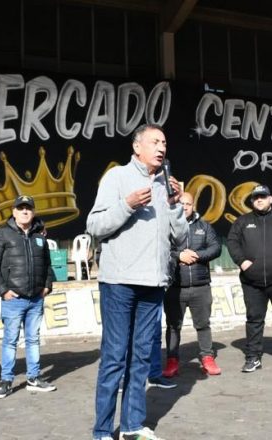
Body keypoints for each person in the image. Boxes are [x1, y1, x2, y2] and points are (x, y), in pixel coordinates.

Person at [87, 123, 187, 440]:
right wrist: (127, 204)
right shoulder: (116, 177)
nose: (161, 147)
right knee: (115, 357)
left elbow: (180, 237)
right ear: (137, 147)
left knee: (143, 357)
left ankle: (132, 425)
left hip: (154, 284)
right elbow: (95, 225)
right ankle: (103, 430)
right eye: (155, 141)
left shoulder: (165, 186)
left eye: (165, 142)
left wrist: (175, 207)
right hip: (119, 282)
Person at [0, 195, 56, 399]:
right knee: (10, 341)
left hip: (36, 298)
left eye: (28, 208)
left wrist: (47, 286)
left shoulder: (39, 236)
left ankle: (33, 378)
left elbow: (47, 265)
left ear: (33, 212)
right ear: (14, 212)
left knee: (33, 339)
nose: (25, 212)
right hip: (13, 299)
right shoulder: (2, 234)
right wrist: (3, 291)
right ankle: (6, 381)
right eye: (21, 208)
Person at [227, 184, 272, 373]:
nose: (259, 199)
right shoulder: (242, 221)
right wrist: (242, 262)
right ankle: (253, 357)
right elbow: (232, 242)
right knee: (254, 320)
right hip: (252, 282)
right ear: (252, 201)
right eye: (256, 197)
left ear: (270, 199)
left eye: (263, 196)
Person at [161, 192, 222, 378]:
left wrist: (196, 255)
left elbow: (216, 248)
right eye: (181, 203)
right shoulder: (167, 226)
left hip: (200, 286)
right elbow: (161, 249)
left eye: (188, 204)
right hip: (174, 287)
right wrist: (178, 256)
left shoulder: (204, 226)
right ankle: (172, 360)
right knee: (173, 326)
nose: (185, 207)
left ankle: (207, 358)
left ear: (193, 206)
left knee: (203, 325)